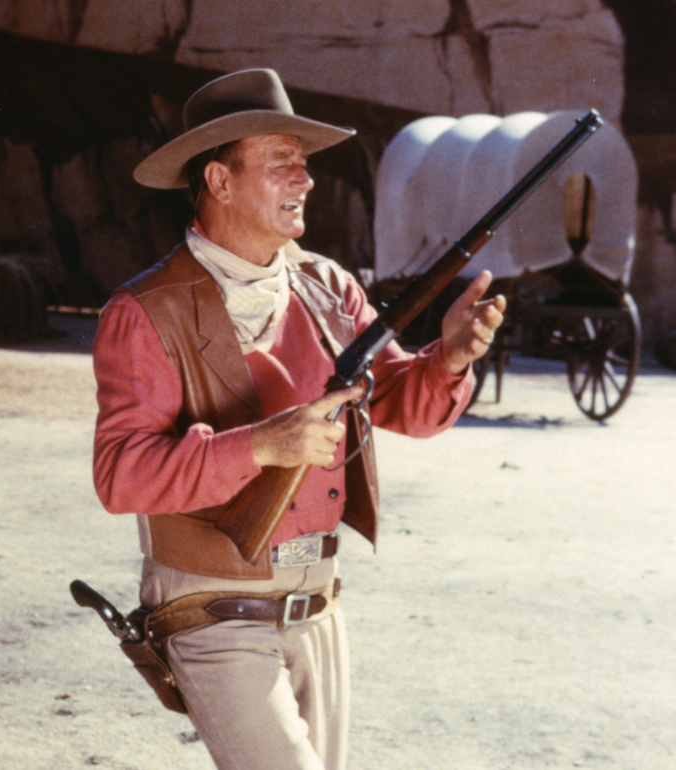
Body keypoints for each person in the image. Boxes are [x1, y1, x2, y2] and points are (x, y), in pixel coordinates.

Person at [92, 68, 505, 770]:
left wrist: (451, 361)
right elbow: (121, 475)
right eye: (281, 162)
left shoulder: (327, 285)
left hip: (317, 604)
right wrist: (260, 445)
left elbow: (401, 399)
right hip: (212, 607)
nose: (305, 179)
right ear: (219, 182)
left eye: (304, 163)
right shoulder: (144, 312)